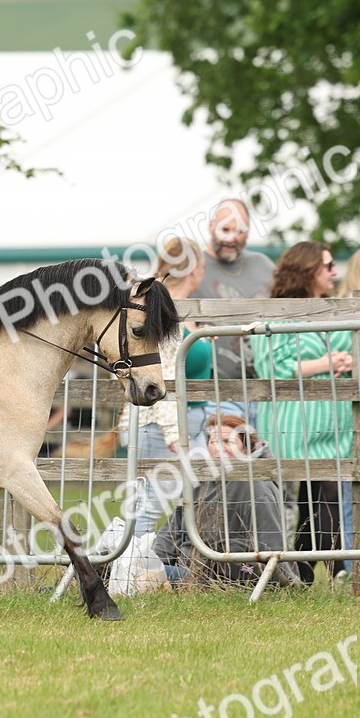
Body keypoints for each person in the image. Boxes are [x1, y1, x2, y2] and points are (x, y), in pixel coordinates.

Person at [250, 241, 352, 584]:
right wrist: (326, 363)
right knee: (311, 499)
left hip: (335, 424)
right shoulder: (275, 313)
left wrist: (350, 361)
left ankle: (306, 574)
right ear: (308, 270)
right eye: (328, 266)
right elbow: (271, 367)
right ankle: (325, 570)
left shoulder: (335, 310)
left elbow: (355, 349)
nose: (334, 272)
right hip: (295, 423)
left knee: (320, 499)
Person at [122, 236, 212, 535]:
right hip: (161, 425)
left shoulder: (178, 309)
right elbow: (155, 375)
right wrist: (174, 433)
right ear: (195, 270)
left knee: (192, 495)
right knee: (151, 504)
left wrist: (201, 338)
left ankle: (162, 556)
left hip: (188, 421)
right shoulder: (160, 309)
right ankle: (122, 559)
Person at [151, 415, 301, 587]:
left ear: (245, 448)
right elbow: (169, 535)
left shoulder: (257, 486)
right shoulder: (197, 483)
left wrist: (283, 582)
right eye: (214, 442)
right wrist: (153, 564)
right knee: (136, 573)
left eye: (227, 442)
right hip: (191, 570)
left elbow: (271, 546)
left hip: (235, 576)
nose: (219, 448)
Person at [191, 198, 275, 420]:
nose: (230, 237)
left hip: (266, 390)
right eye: (225, 229)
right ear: (211, 227)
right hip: (215, 393)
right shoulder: (193, 269)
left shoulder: (264, 266)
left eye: (238, 231)